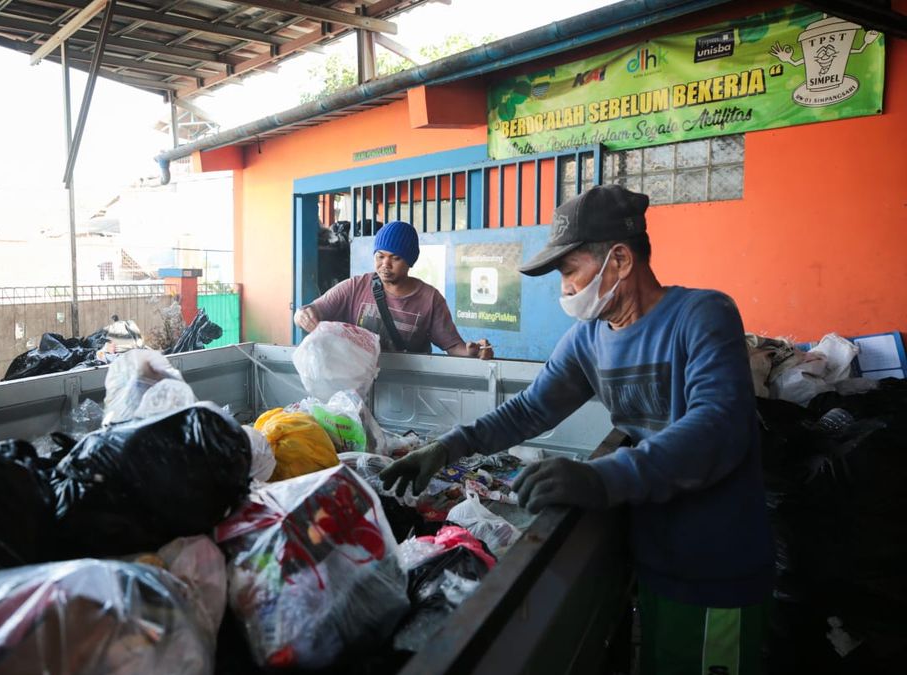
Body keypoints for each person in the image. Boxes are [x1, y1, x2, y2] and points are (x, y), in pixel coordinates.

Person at [379, 185, 773, 675]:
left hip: (716, 562)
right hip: (652, 554)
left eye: (570, 270)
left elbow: (719, 427)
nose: (564, 288)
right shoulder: (589, 339)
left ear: (621, 260)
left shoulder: (702, 316)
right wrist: (449, 446)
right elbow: (527, 410)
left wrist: (601, 478)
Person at [294, 220, 493, 359]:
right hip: (359, 384)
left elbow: (453, 346)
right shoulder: (356, 287)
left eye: (395, 258)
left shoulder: (430, 299)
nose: (385, 264)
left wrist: (473, 351)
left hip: (409, 389)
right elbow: (310, 310)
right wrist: (303, 315)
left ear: (410, 261)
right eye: (380, 256)